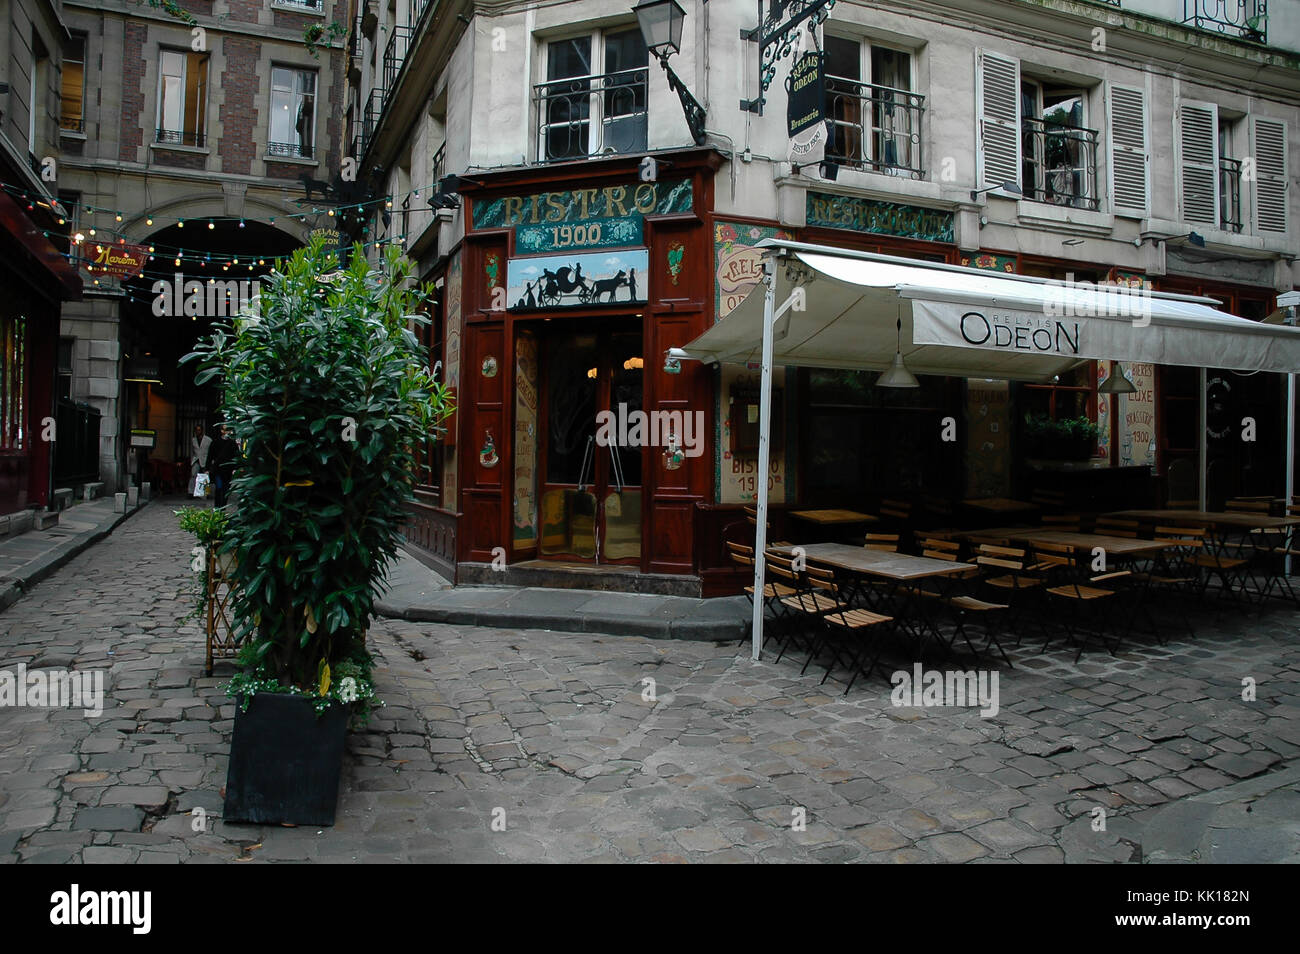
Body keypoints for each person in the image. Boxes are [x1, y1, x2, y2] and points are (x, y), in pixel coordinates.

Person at [210, 426, 239, 508]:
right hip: (218, 469)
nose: (227, 432)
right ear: (221, 431)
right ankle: (218, 506)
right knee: (219, 488)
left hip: (228, 470)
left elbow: (236, 456)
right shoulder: (215, 442)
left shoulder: (232, 443)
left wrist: (235, 467)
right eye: (226, 430)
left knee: (226, 489)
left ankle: (222, 506)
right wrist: (207, 468)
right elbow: (210, 455)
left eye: (228, 430)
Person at [189, 425, 211, 497]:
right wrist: (192, 460)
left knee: (206, 476)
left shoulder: (208, 440)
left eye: (199, 430)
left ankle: (206, 493)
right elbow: (192, 451)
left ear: (202, 431)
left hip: (205, 460)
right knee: (193, 475)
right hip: (196, 459)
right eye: (196, 430)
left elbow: (210, 451)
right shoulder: (193, 440)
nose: (198, 432)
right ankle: (191, 492)